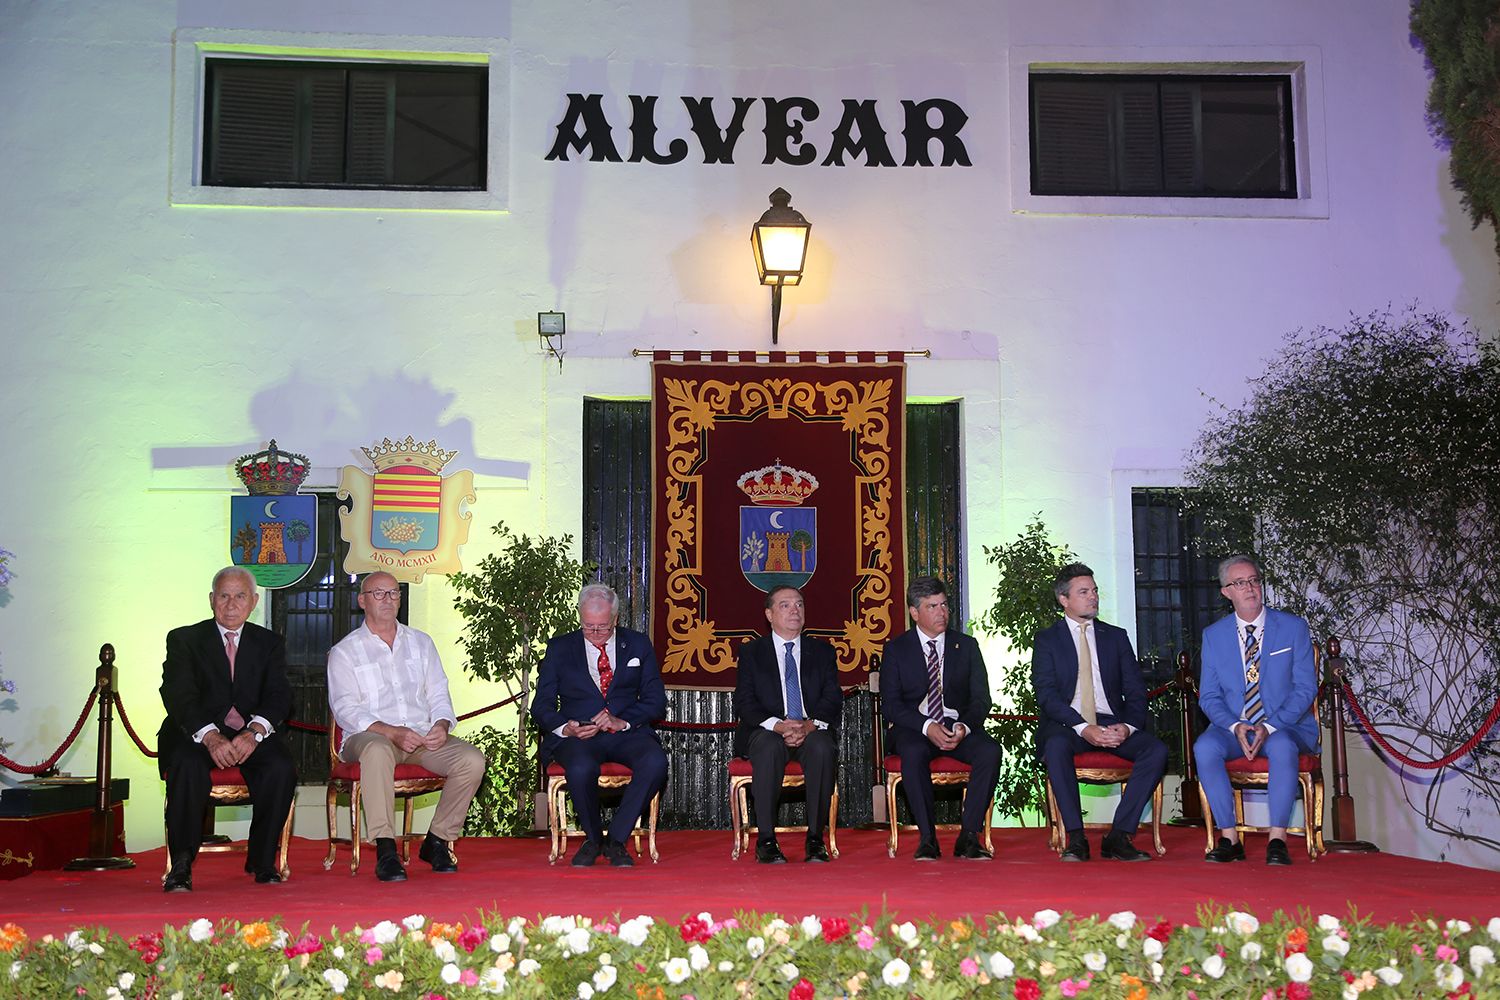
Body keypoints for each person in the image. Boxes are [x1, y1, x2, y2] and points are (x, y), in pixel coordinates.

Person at [327, 571, 486, 882]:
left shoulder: (421, 643)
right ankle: (386, 848)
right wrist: (390, 731)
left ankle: (437, 840)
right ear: (362, 601)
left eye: (393, 593)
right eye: (378, 593)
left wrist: (441, 723)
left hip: (420, 737)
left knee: (472, 760)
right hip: (367, 737)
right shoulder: (345, 651)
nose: (388, 599)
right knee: (376, 750)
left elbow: (439, 694)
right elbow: (346, 710)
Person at [157, 566, 297, 892]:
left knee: (280, 767)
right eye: (224, 596)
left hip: (250, 733)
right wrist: (209, 736)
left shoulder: (270, 643)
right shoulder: (185, 639)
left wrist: (255, 731)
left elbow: (280, 696)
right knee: (187, 764)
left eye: (240, 596)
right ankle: (181, 863)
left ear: (254, 601)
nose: (231, 604)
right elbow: (178, 694)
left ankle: (262, 860)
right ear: (211, 600)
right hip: (197, 733)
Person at [1031, 563, 1167, 862]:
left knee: (1155, 750)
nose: (1093, 597)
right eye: (1084, 592)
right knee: (1055, 746)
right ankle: (1076, 838)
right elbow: (1047, 696)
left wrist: (1128, 727)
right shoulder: (1047, 640)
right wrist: (1083, 727)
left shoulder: (1115, 637)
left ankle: (1119, 836)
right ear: (1064, 599)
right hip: (1068, 725)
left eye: (1094, 591)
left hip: (1111, 721)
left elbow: (1135, 691)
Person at [1195, 554, 1319, 866]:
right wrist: (1236, 726)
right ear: (1226, 592)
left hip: (1285, 726)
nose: (1249, 588)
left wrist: (1271, 725)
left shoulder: (1293, 628)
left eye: (1253, 580)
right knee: (1204, 747)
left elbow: (1305, 689)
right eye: (1240, 583)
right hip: (1234, 726)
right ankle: (1229, 838)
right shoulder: (1213, 635)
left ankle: (1277, 840)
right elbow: (1209, 697)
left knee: (1280, 745)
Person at [531, 583, 668, 867]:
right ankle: (593, 839)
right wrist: (565, 727)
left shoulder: (639, 644)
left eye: (602, 628)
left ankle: (616, 839)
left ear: (615, 619)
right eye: (588, 627)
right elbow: (541, 705)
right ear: (580, 617)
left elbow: (656, 701)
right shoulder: (559, 647)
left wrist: (623, 721)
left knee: (655, 762)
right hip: (578, 736)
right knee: (581, 767)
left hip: (626, 732)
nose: (594, 635)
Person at [879, 576, 1002, 860]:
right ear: (914, 612)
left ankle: (969, 836)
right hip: (914, 725)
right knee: (912, 751)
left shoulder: (966, 646)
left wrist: (963, 727)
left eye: (944, 605)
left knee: (990, 751)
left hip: (956, 727)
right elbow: (892, 706)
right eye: (932, 606)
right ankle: (928, 839)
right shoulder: (897, 650)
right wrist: (926, 726)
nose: (942, 613)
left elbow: (982, 699)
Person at [733, 585, 841, 864]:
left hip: (811, 728)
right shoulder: (752, 653)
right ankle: (766, 841)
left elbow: (832, 699)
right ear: (769, 614)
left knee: (821, 748)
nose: (795, 610)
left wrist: (809, 725)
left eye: (799, 604)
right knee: (768, 748)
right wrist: (779, 726)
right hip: (768, 730)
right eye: (785, 605)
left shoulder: (823, 652)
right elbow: (746, 703)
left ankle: (816, 840)